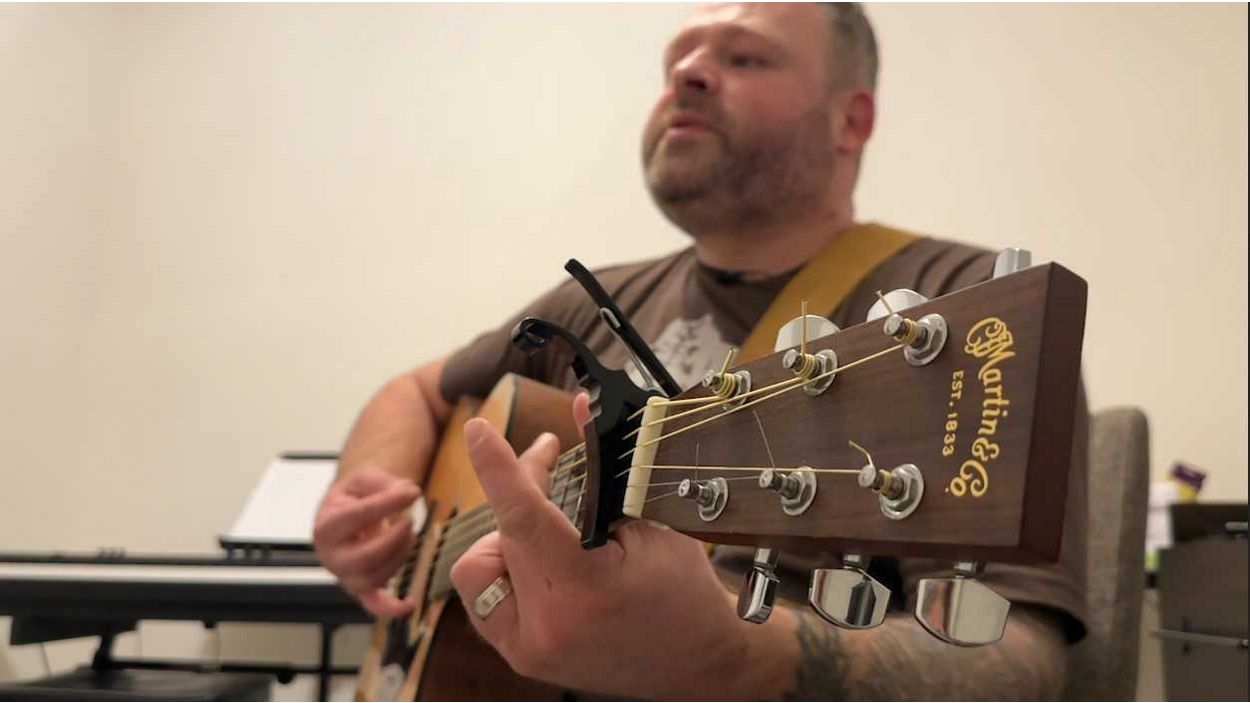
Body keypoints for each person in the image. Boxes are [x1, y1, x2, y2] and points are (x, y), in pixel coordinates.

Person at [313, 3, 1089, 698]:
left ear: (849, 121)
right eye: (675, 61)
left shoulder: (950, 306)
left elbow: (1021, 662)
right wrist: (375, 511)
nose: (686, 73)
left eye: (744, 56)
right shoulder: (589, 304)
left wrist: (726, 656)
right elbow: (415, 392)